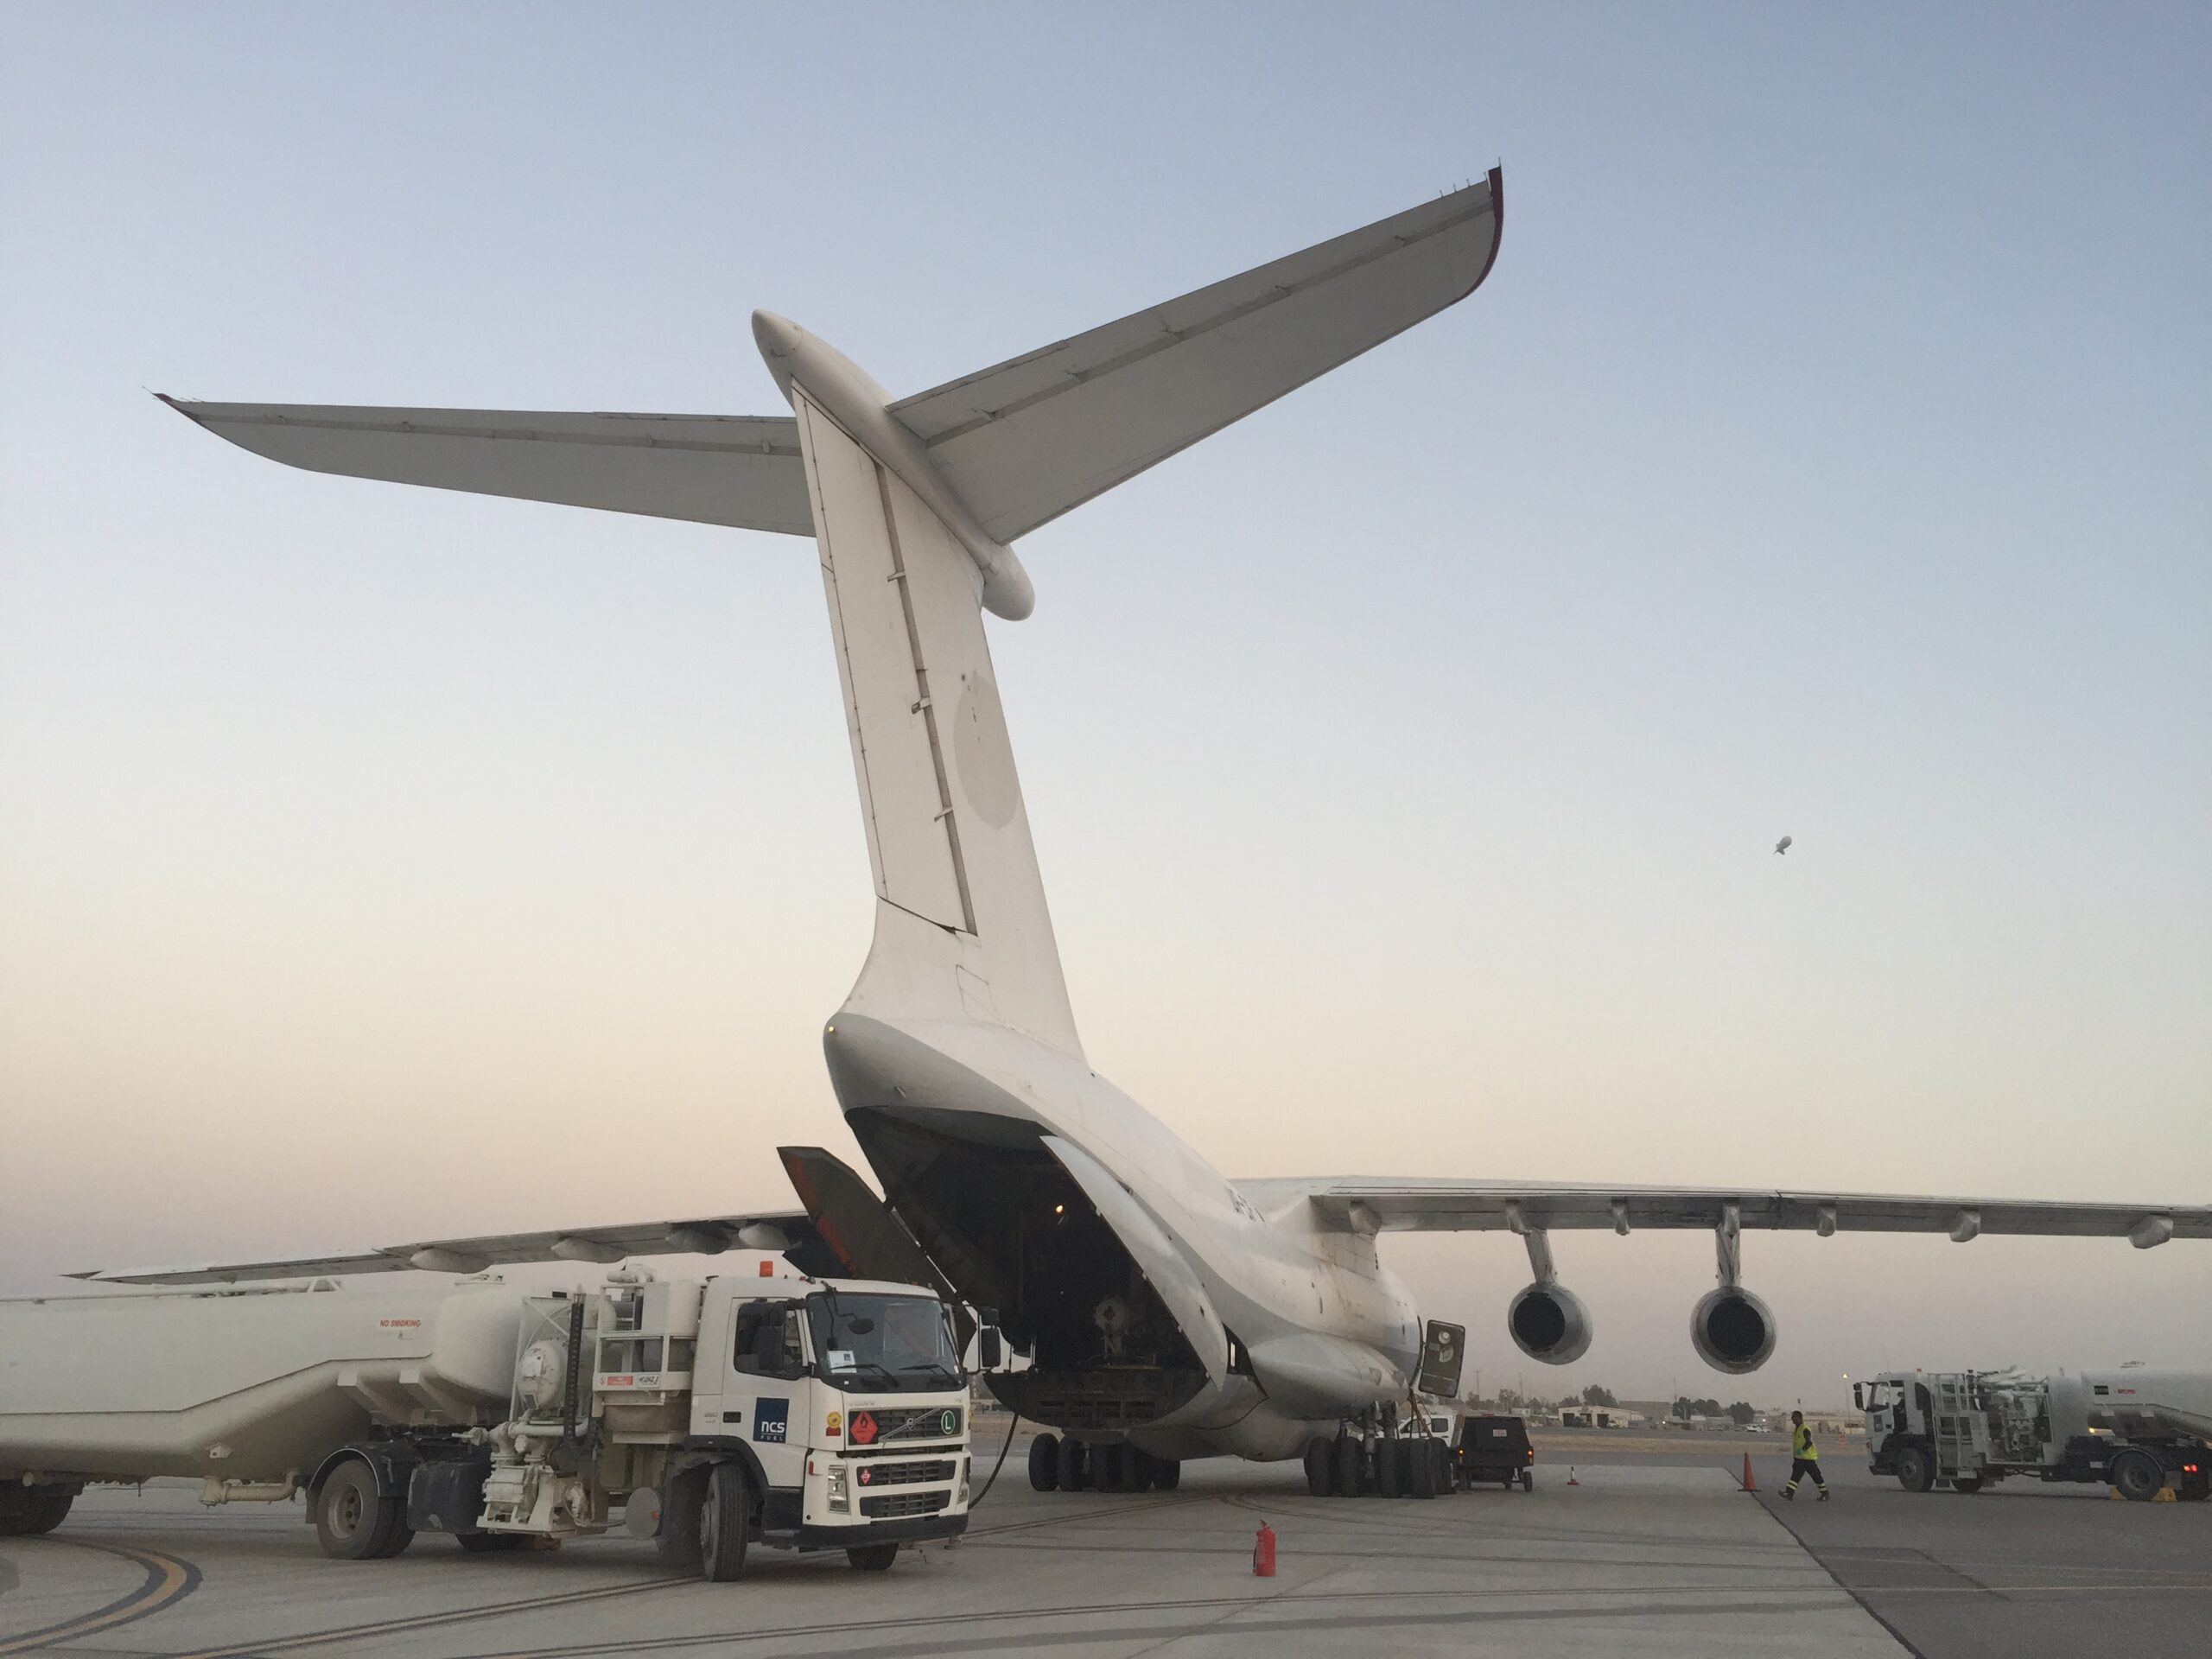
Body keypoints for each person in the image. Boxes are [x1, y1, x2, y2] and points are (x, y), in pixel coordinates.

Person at [1784, 1410, 1828, 1501]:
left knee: (1814, 1476)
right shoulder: (1797, 1429)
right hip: (1800, 1458)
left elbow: (1809, 1442)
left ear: (1799, 1418)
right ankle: (1789, 1493)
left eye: (1794, 1417)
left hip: (1806, 1458)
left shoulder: (1804, 1429)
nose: (1792, 1419)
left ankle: (1825, 1493)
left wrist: (1801, 1451)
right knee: (1797, 1476)